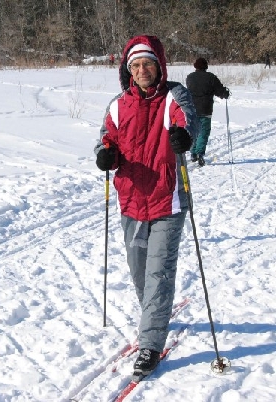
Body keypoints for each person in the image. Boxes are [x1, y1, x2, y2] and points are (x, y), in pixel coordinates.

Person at [94, 35, 199, 379]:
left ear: (159, 66)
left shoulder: (173, 96)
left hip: (168, 199)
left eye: (148, 64)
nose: (142, 70)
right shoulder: (118, 105)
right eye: (136, 65)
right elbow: (106, 138)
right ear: (128, 70)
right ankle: (156, 312)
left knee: (158, 272)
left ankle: (150, 344)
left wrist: (184, 136)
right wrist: (105, 155)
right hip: (131, 201)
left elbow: (189, 120)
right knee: (139, 271)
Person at [185, 57, 230, 167]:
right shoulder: (211, 77)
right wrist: (225, 93)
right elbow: (219, 90)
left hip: (192, 109)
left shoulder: (189, 77)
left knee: (194, 131)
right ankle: (200, 153)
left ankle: (193, 153)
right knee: (203, 132)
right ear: (206, 66)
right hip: (205, 109)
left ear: (195, 66)